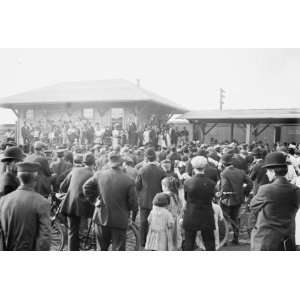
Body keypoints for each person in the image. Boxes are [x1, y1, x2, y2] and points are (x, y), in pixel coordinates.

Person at [83, 152, 138, 251]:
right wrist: (128, 212)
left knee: (101, 249)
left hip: (101, 217)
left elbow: (86, 187)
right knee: (118, 249)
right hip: (120, 220)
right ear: (121, 164)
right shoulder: (129, 180)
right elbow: (133, 204)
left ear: (109, 162)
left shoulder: (99, 174)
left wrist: (94, 201)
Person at [250, 152, 300, 251]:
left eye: (267, 171)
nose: (266, 173)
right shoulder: (296, 190)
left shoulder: (266, 189)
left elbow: (253, 206)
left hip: (266, 239)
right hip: (288, 239)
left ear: (273, 171)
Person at [0, 162, 51, 250]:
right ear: (36, 178)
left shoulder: (3, 200)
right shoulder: (42, 202)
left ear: (18, 178)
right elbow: (44, 237)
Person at [60, 153, 95, 250]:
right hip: (85, 206)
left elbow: (62, 186)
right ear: (93, 163)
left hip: (71, 204)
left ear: (84, 162)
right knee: (85, 227)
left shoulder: (75, 170)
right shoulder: (93, 174)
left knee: (72, 231)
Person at [182, 156, 216, 251]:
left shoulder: (188, 182)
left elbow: (186, 198)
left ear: (193, 167)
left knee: (189, 241)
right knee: (209, 242)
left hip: (191, 213)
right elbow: (212, 197)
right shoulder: (211, 183)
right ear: (205, 167)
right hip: (207, 214)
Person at [219, 153, 253, 245]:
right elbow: (250, 183)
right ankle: (236, 238)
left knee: (224, 220)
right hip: (238, 198)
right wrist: (244, 192)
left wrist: (220, 195)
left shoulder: (224, 173)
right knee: (236, 218)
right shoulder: (241, 172)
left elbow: (225, 187)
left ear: (223, 164)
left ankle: (224, 240)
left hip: (226, 200)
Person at [136, 148, 166, 247]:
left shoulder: (142, 170)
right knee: (156, 221)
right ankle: (155, 242)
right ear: (155, 157)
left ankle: (143, 242)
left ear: (146, 158)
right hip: (157, 200)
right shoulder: (161, 170)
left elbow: (137, 186)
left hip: (144, 200)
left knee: (143, 222)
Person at [161, 177, 182, 250]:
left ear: (166, 187)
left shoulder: (164, 196)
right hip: (174, 221)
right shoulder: (176, 195)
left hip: (166, 222)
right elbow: (179, 209)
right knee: (174, 241)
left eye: (162, 186)